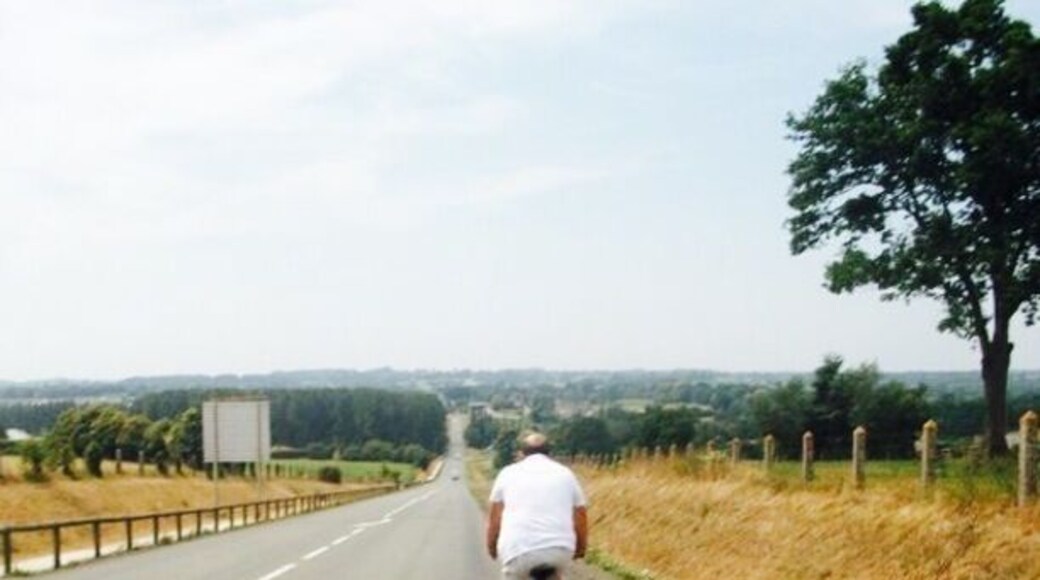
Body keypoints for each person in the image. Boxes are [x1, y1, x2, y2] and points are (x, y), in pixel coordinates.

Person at [486, 432, 588, 580]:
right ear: (549, 453)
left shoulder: (507, 473)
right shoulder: (566, 474)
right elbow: (581, 514)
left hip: (518, 553)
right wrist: (581, 548)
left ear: (521, 453)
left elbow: (495, 518)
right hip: (559, 551)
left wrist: (491, 547)